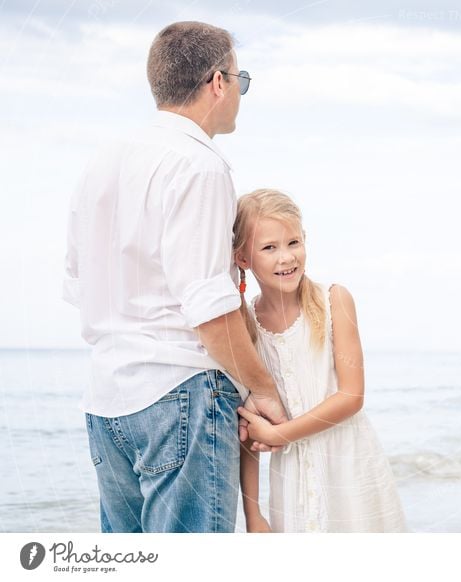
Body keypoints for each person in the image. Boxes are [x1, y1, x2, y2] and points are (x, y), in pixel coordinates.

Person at [62, 21, 287, 533]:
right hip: (180, 392)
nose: (239, 93)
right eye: (240, 79)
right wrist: (264, 390)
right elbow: (209, 305)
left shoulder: (103, 160)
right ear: (216, 82)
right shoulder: (200, 164)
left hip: (105, 401)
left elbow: (78, 282)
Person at [233, 189, 407, 532]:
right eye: (269, 248)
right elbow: (248, 428)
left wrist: (280, 434)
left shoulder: (334, 301)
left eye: (293, 242)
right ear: (242, 258)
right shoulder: (245, 324)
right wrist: (254, 515)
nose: (286, 257)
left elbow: (351, 396)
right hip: (292, 478)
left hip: (349, 464)